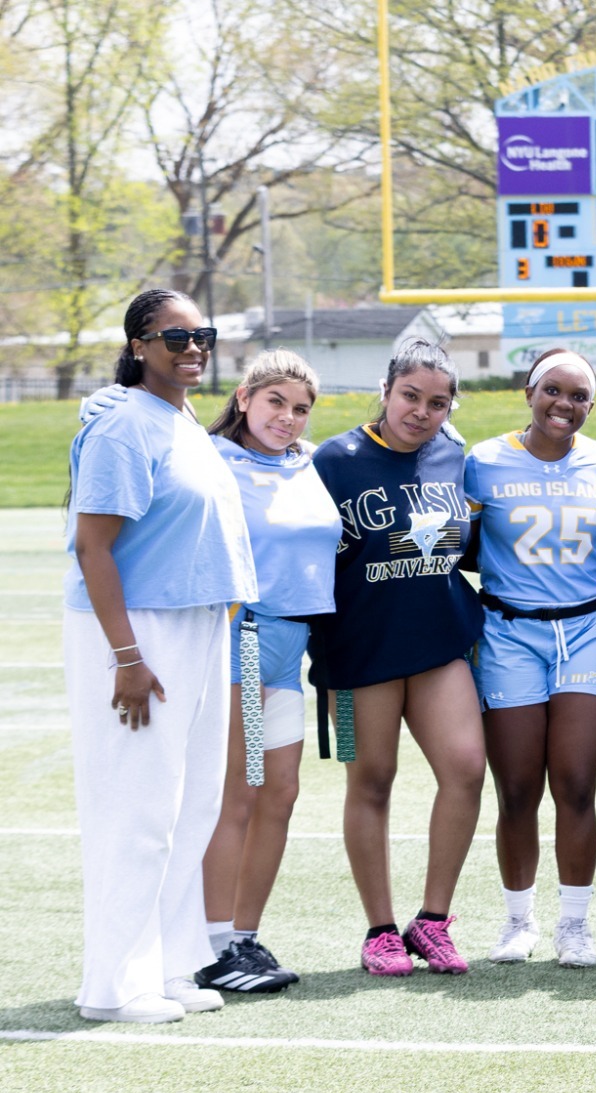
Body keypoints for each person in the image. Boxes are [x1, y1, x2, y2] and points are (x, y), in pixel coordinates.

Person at [64, 289, 255, 1022]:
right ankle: (115, 985)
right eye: (173, 337)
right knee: (137, 810)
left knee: (193, 804)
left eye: (201, 334)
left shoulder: (180, 419)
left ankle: (172, 965)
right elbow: (94, 546)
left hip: (199, 623)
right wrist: (127, 656)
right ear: (139, 344)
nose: (191, 347)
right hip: (139, 629)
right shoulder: (121, 428)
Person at [309, 340, 486, 976]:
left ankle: (432, 921)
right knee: (371, 781)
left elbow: (457, 549)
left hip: (438, 644)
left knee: (466, 768)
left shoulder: (452, 454)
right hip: (357, 654)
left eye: (438, 402)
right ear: (386, 392)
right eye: (411, 396)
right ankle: (380, 930)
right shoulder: (334, 460)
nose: (421, 412)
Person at [465, 349, 596, 968]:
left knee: (577, 785)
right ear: (528, 392)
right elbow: (464, 547)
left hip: (584, 630)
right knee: (518, 788)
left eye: (579, 395)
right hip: (509, 633)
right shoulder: (484, 462)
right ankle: (517, 919)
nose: (565, 404)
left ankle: (575, 925)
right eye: (553, 390)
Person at [193, 351, 340, 994]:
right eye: (276, 402)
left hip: (291, 647)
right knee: (242, 793)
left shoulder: (306, 462)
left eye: (301, 408)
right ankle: (211, 944)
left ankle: (243, 937)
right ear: (245, 396)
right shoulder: (211, 459)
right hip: (242, 644)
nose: (288, 417)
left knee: (281, 794)